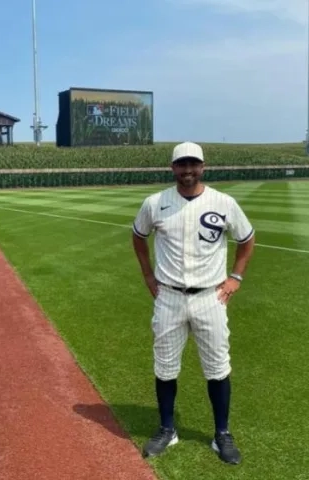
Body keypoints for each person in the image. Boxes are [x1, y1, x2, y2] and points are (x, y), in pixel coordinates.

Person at [131, 141, 255, 465]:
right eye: (181, 165)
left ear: (202, 166)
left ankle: (222, 434)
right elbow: (138, 236)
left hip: (210, 297)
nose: (188, 171)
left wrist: (235, 278)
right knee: (165, 366)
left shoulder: (223, 202)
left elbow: (246, 240)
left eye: (193, 164)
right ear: (172, 168)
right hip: (169, 297)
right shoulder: (155, 203)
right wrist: (147, 275)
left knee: (217, 367)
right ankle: (167, 428)